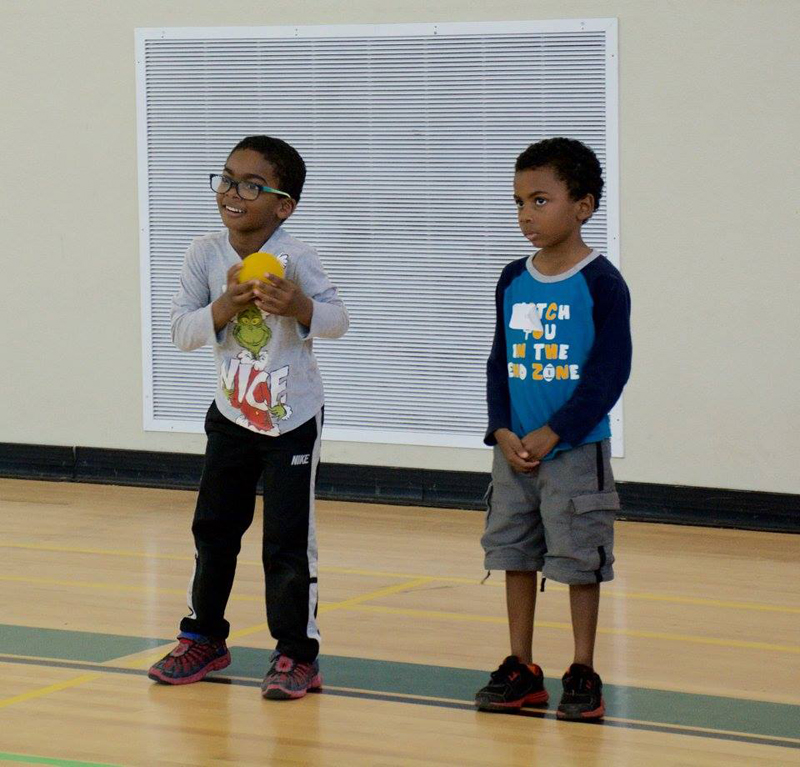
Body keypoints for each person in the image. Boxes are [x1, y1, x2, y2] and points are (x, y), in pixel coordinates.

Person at [148, 135, 349, 700]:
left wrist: (300, 306)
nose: (233, 193)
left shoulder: (297, 258)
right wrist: (224, 306)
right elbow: (181, 331)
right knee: (214, 530)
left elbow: (338, 319)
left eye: (252, 186)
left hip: (291, 421)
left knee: (287, 541)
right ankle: (203, 638)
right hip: (231, 415)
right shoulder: (204, 253)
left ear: (284, 205)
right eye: (228, 180)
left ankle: (296, 653)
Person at [475, 137, 632, 721]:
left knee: (577, 558)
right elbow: (500, 362)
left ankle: (583, 669)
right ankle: (521, 666)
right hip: (514, 452)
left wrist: (556, 431)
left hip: (574, 452)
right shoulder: (512, 278)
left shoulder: (602, 282)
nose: (526, 214)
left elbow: (609, 373)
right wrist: (501, 429)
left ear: (583, 206)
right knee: (513, 551)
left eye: (540, 201)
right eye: (519, 202)